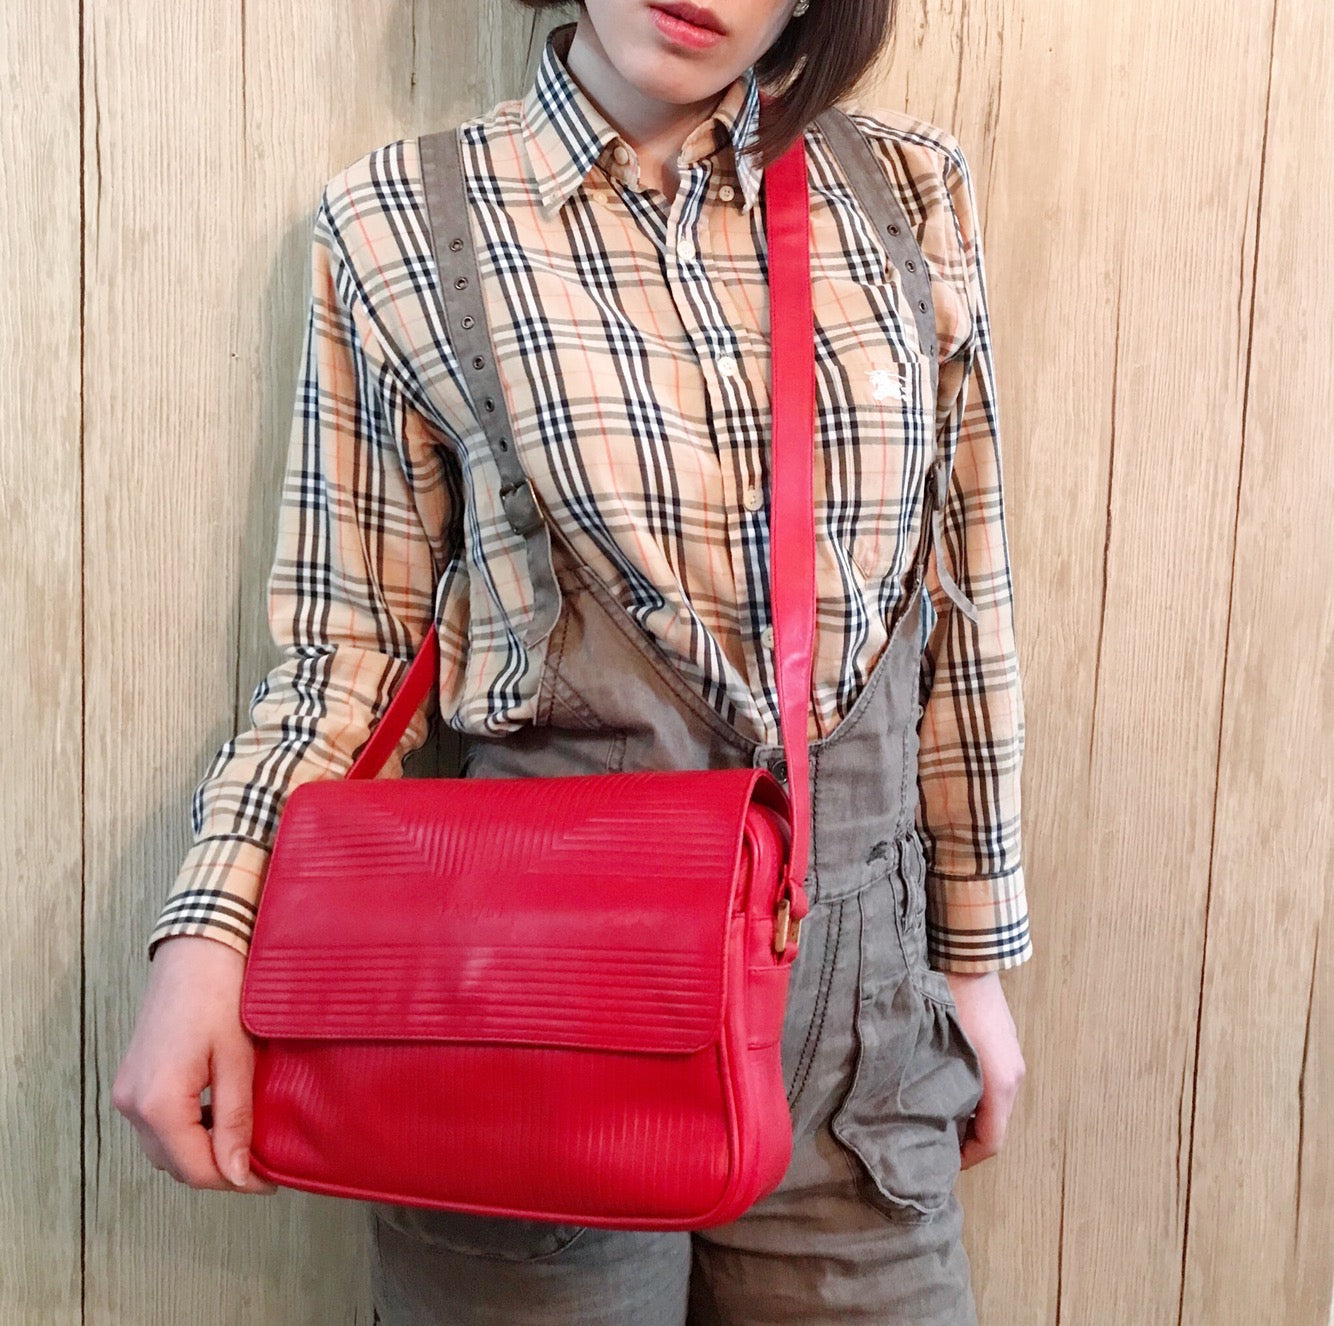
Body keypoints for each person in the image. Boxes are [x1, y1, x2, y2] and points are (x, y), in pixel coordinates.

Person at [114, 1, 1030, 1320]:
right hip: (533, 1013)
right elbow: (350, 649)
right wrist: (208, 937)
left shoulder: (904, 192)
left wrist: (969, 966)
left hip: (859, 1042)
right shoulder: (401, 220)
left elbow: (959, 601)